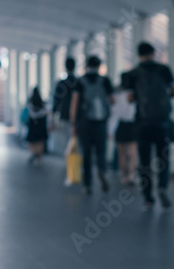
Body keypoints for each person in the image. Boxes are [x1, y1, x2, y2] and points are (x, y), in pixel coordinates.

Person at [124, 41, 174, 209]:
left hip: (142, 124)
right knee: (163, 158)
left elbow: (130, 99)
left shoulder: (133, 74)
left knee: (145, 161)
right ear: (153, 53)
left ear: (138, 55)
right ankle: (162, 186)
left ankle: (147, 198)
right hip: (162, 122)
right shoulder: (164, 70)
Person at [69, 55, 113, 195]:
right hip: (101, 122)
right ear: (99, 66)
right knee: (101, 151)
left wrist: (73, 123)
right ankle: (102, 170)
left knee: (86, 154)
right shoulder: (105, 81)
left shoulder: (80, 81)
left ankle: (87, 185)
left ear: (86, 65)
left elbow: (74, 103)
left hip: (84, 123)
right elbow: (112, 100)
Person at [110, 72, 138, 186]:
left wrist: (110, 130)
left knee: (122, 154)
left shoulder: (117, 95)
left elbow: (115, 114)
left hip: (121, 125)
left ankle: (124, 176)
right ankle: (132, 176)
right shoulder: (135, 94)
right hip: (133, 125)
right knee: (133, 153)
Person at [52, 56, 77, 181]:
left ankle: (69, 163)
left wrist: (53, 115)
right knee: (76, 141)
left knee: (66, 140)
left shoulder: (61, 83)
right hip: (78, 117)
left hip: (64, 115)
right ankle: (77, 163)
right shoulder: (79, 82)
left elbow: (56, 101)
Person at [26, 87, 48, 164]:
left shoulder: (30, 102)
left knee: (33, 140)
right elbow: (45, 112)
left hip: (33, 124)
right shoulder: (41, 101)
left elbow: (29, 111)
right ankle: (39, 156)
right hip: (40, 124)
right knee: (40, 140)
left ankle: (34, 153)